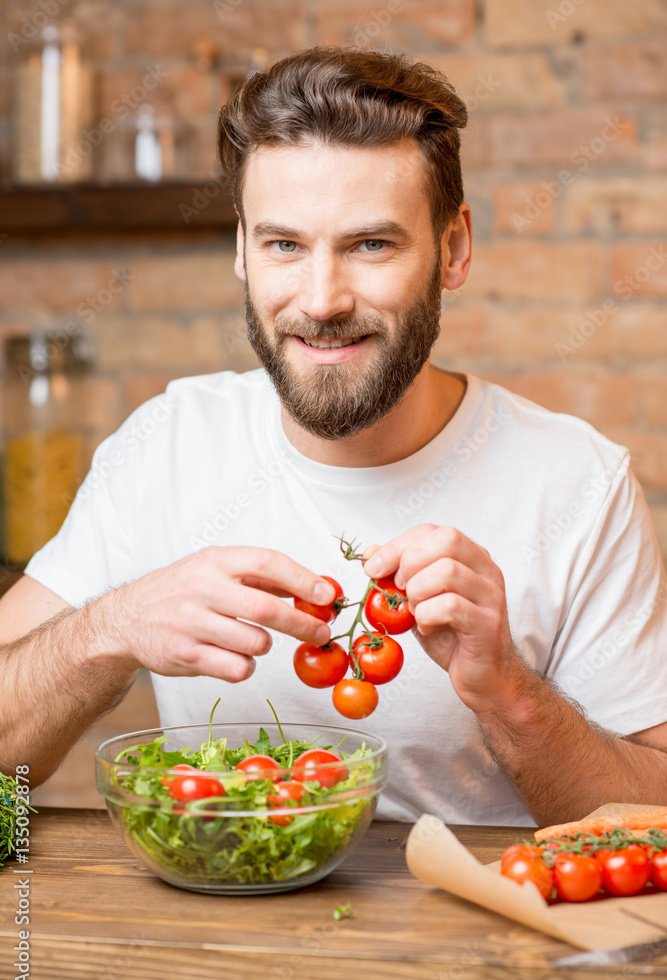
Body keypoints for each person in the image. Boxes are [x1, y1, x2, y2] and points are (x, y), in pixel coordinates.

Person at [1, 47, 666, 827]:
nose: (320, 301)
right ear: (242, 251)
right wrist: (108, 629)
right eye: (285, 244)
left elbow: (655, 813)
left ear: (452, 250)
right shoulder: (167, 444)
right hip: (206, 931)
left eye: (370, 245)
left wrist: (508, 693)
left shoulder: (575, 480)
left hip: (475, 944)